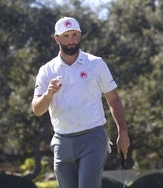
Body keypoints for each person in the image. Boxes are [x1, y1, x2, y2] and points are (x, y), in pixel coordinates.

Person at [31, 16, 130, 188]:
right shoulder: (46, 70)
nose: (71, 41)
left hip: (93, 138)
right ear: (57, 38)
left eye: (75, 35)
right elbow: (37, 110)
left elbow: (113, 99)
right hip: (62, 142)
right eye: (66, 36)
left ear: (80, 35)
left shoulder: (96, 64)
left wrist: (123, 132)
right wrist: (48, 94)